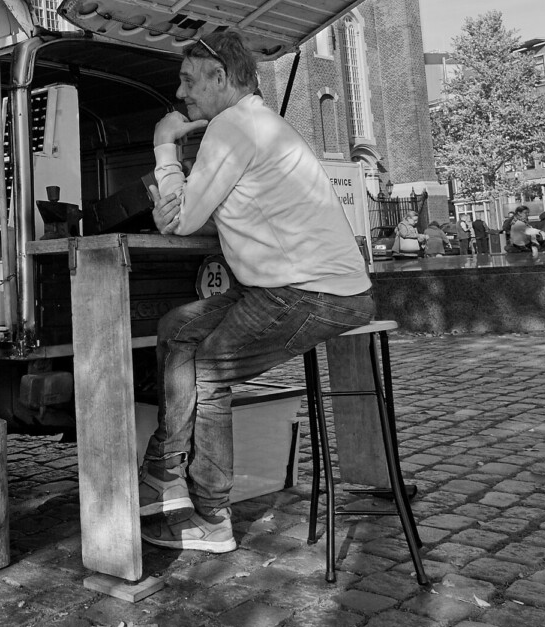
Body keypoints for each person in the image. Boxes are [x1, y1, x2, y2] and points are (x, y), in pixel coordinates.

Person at [140, 31, 374, 553]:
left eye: (187, 80)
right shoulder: (254, 123)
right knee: (177, 327)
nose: (181, 95)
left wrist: (164, 146)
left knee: (208, 369)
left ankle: (210, 515)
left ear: (220, 77)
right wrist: (174, 204)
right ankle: (164, 469)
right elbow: (186, 214)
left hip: (308, 292)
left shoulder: (232, 126)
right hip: (291, 287)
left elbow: (182, 219)